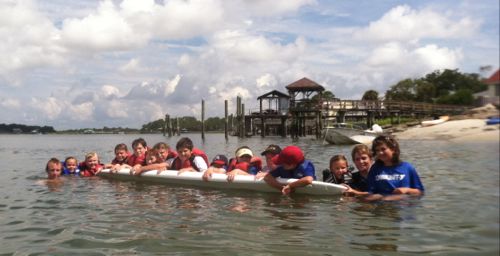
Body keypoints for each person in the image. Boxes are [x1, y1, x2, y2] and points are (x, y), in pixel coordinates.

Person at [360, 135, 425, 201]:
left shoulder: (408, 168)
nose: (380, 153)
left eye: (383, 149)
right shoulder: (375, 169)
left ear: (393, 149)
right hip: (382, 207)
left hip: (403, 207)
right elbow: (370, 192)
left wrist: (406, 190)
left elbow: (420, 192)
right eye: (377, 150)